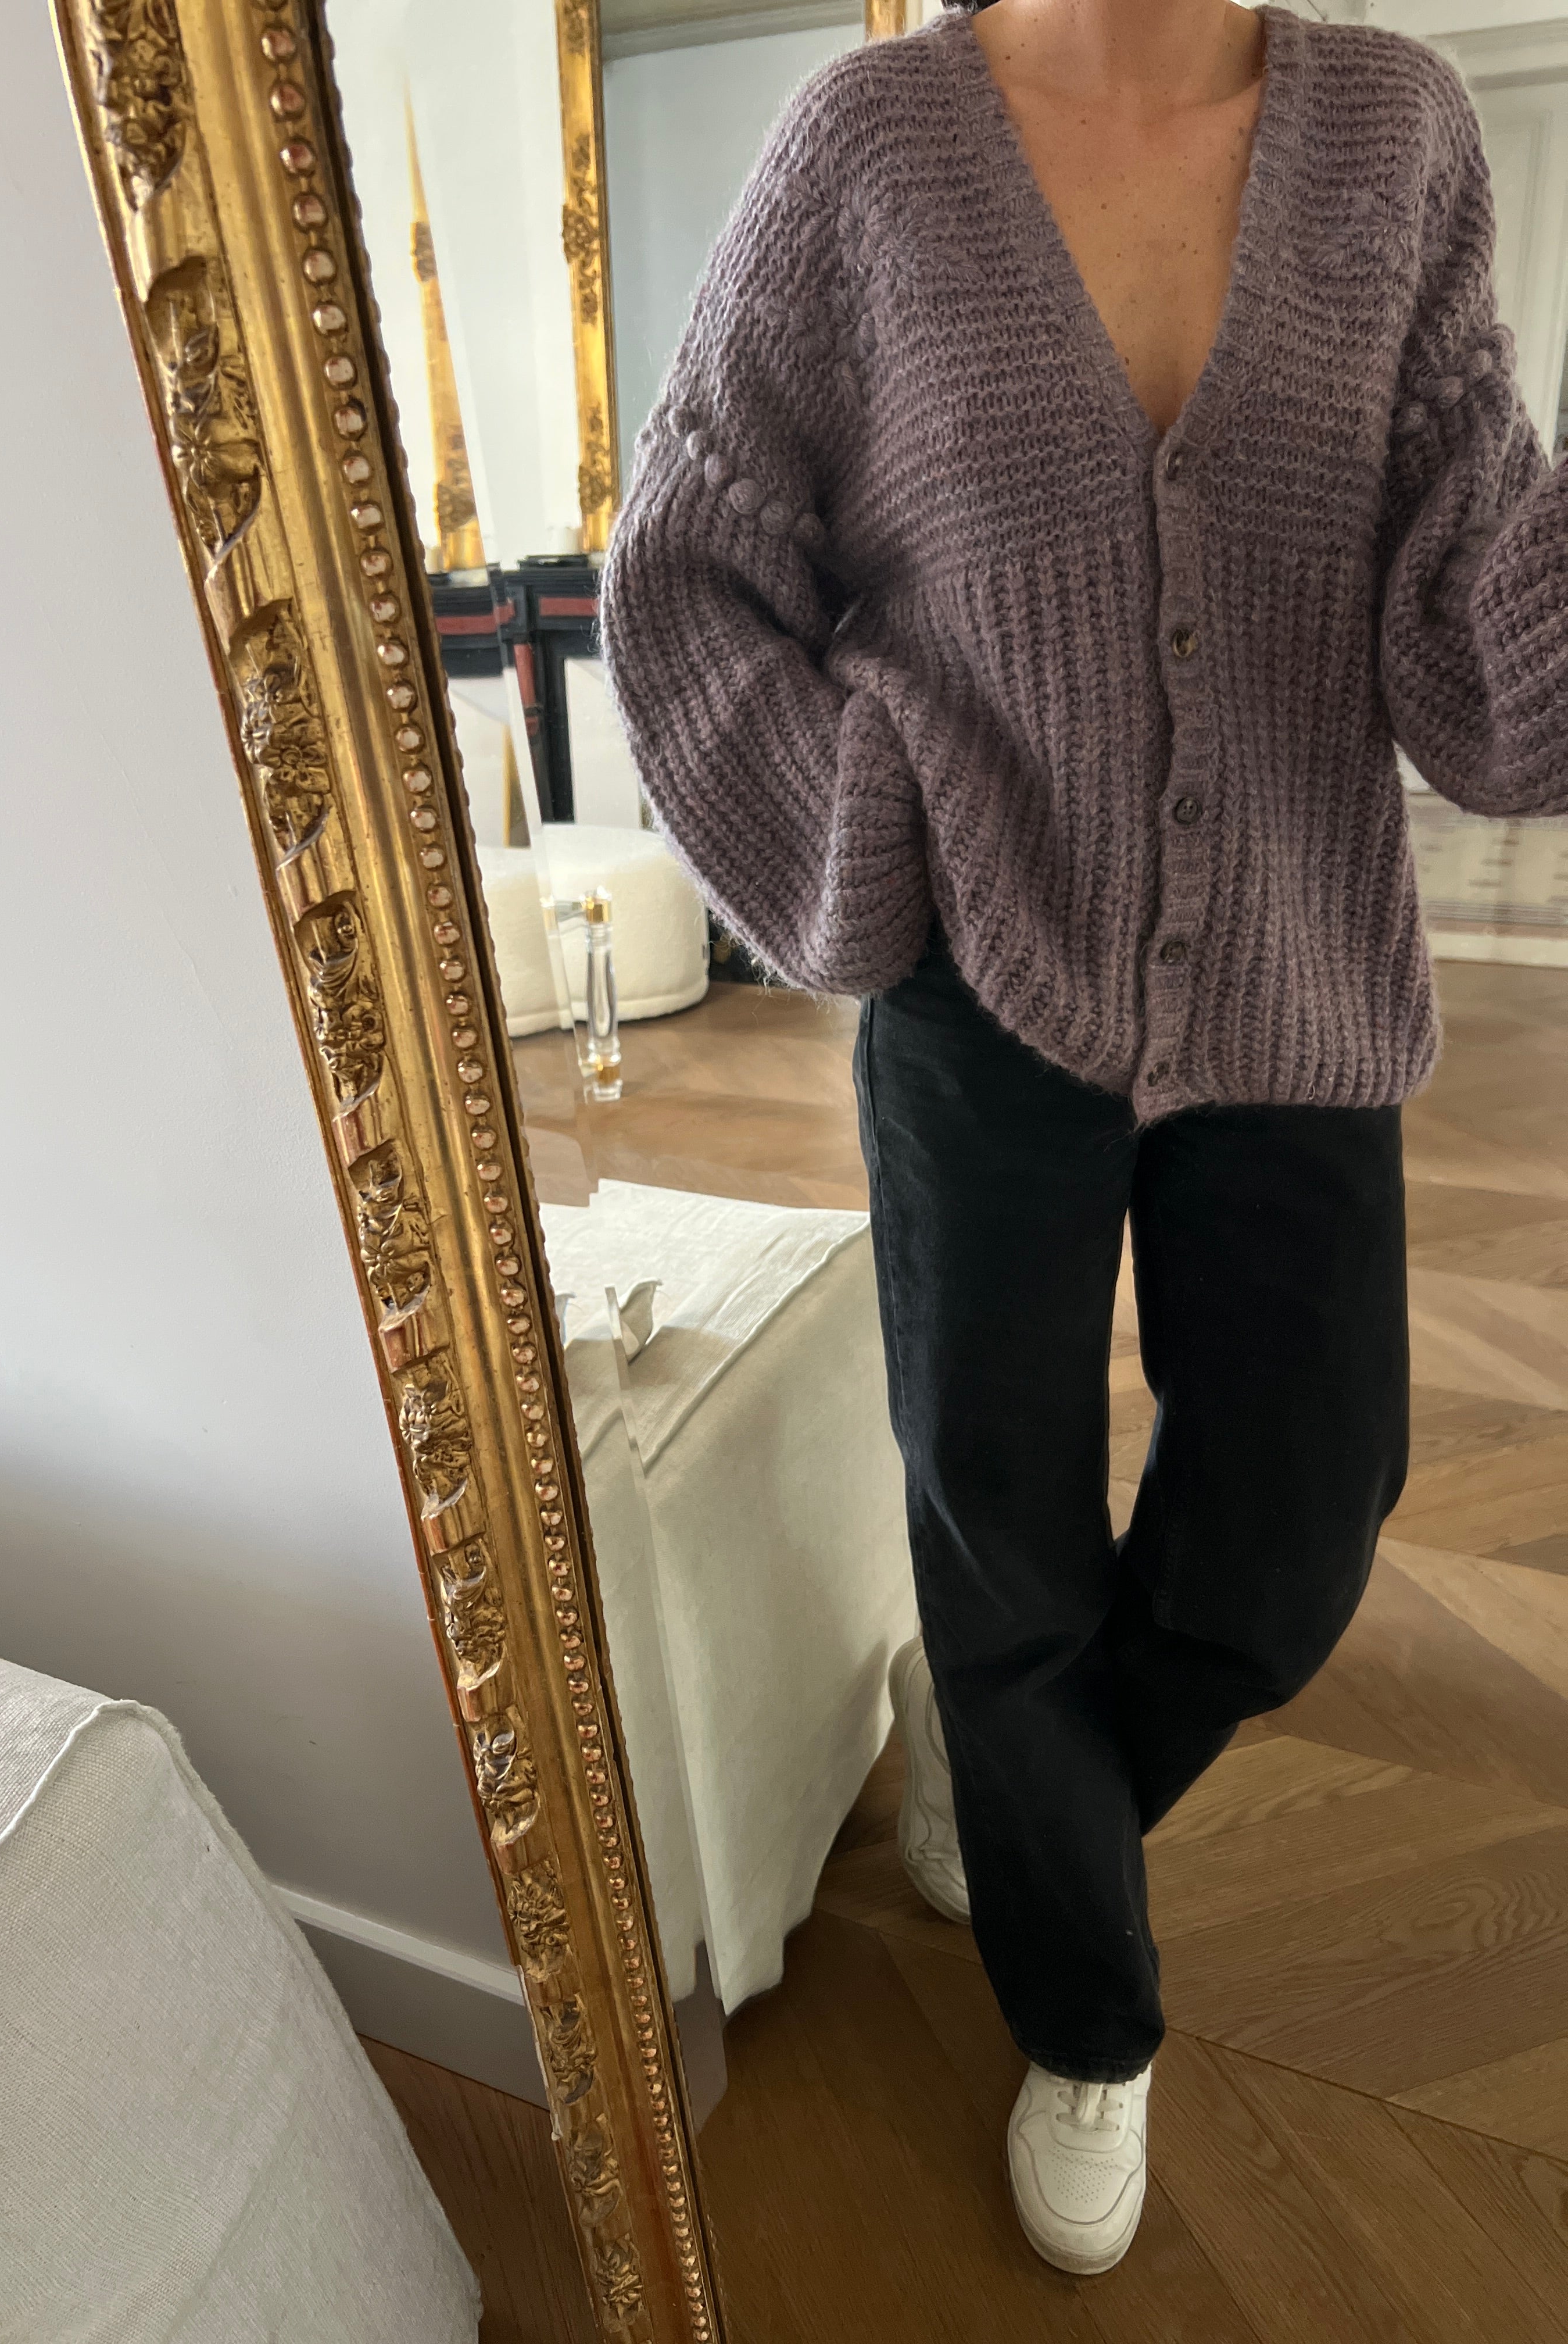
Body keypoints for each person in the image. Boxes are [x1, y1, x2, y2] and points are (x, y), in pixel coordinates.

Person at [600, 0, 1568, 2278]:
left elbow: (1473, 643)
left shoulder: (1396, 137)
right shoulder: (867, 152)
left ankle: (1017, 1765)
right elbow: (686, 567)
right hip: (975, 978)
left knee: (1301, 1513)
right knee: (998, 1514)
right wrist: (858, 834)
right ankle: (1084, 2011)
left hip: (1295, 963)